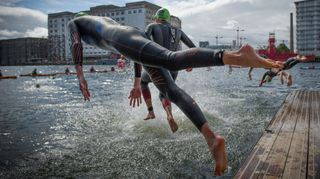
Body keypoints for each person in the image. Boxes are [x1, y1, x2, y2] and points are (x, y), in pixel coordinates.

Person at [68, 12, 282, 176]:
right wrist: (136, 83)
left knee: (170, 59)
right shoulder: (102, 20)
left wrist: (80, 76)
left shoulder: (75, 22)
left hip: (124, 40)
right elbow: (133, 52)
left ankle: (234, 54)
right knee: (171, 91)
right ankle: (213, 139)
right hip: (129, 40)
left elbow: (76, 44)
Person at [140, 8, 195, 133]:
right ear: (168, 19)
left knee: (143, 82)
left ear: (157, 18)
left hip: (157, 65)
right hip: (173, 67)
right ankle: (169, 115)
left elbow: (142, 41)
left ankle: (151, 112)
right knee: (164, 92)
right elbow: (192, 48)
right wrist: (190, 63)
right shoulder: (178, 30)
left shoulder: (152, 26)